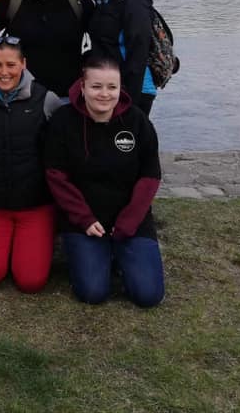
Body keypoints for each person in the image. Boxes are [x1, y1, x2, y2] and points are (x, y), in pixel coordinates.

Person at [44, 56, 164, 307]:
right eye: (96, 86)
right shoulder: (63, 121)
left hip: (129, 220)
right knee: (93, 293)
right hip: (84, 220)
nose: (105, 94)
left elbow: (150, 174)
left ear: (121, 88)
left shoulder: (137, 121)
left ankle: (121, 255)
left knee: (148, 296)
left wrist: (130, 220)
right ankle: (99, 254)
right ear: (83, 86)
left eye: (112, 87)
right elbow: (56, 176)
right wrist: (84, 219)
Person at [0, 37, 61, 293]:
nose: (4, 72)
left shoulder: (47, 100)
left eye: (11, 64)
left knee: (31, 282)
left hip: (35, 206)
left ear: (23, 64)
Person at [87, 0, 156, 116]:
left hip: (134, 88)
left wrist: (127, 101)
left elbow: (138, 53)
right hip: (106, 85)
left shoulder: (134, 2)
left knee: (127, 133)